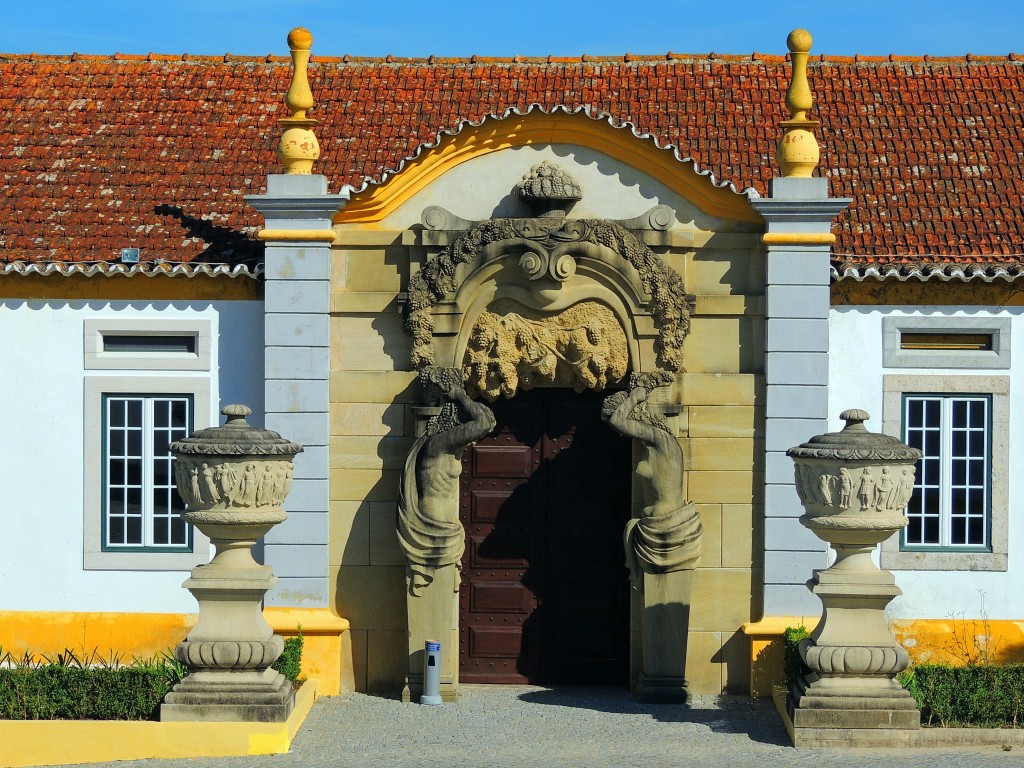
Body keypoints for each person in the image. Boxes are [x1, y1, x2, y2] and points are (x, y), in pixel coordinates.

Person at [398, 367, 496, 596]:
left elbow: (486, 423)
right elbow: (482, 423)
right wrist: (459, 395)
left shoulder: (445, 448)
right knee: (435, 592)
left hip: (447, 523)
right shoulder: (437, 444)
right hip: (435, 523)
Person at [601, 372, 702, 590]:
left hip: (666, 528)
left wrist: (635, 397)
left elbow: (618, 421)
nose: (621, 434)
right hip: (654, 527)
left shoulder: (662, 440)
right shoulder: (657, 444)